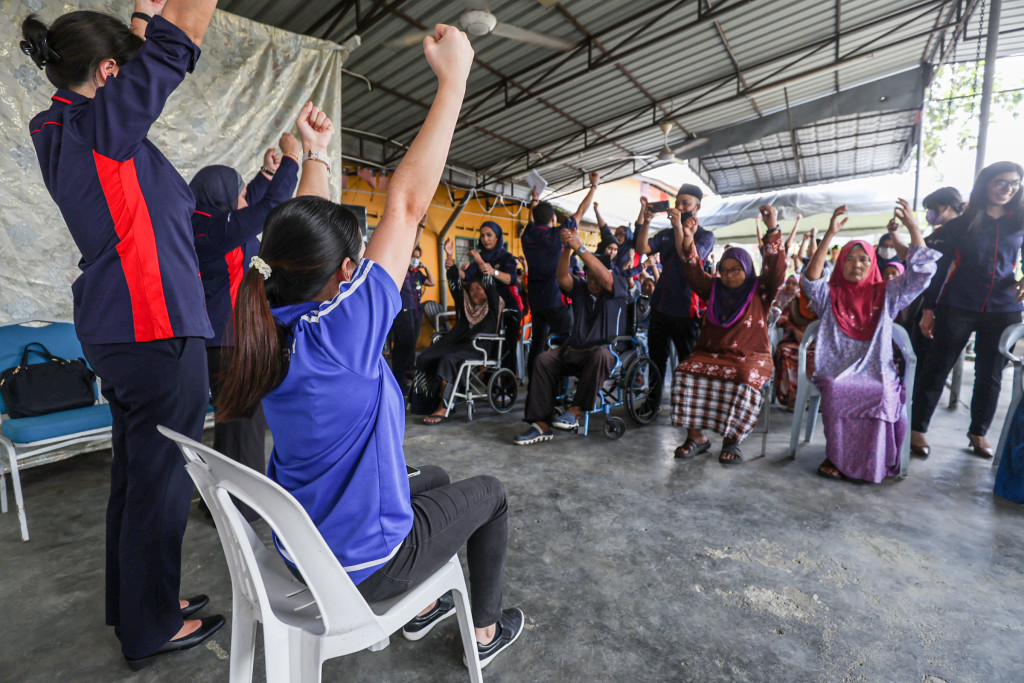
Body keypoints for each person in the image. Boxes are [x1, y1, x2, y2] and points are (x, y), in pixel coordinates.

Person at [216, 25, 523, 668]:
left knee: (434, 478)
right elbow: (407, 204)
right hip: (364, 567)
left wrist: (318, 154)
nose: (360, 269)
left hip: (303, 542)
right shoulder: (343, 335)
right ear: (340, 279)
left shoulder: (266, 319)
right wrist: (454, 81)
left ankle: (435, 599)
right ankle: (487, 633)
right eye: (353, 264)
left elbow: (306, 244)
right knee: (489, 491)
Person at [23, 1, 223, 668]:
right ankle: (151, 626)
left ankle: (139, 608)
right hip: (155, 327)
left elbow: (145, 55)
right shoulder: (105, 131)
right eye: (127, 72)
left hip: (122, 330)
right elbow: (181, 39)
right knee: (161, 484)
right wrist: (164, 24)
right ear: (108, 74)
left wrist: (141, 17)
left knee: (139, 478)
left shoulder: (69, 127)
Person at [191, 133, 301, 520]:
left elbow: (248, 201)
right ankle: (242, 504)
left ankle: (224, 497)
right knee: (243, 422)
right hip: (228, 341)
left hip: (230, 339)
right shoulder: (212, 228)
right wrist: (291, 158)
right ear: (220, 196)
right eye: (236, 194)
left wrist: (267, 172)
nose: (242, 201)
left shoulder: (210, 221)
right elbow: (267, 207)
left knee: (237, 423)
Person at [801, 201, 940, 482]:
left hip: (877, 367)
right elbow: (810, 280)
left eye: (863, 259)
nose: (857, 264)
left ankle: (873, 460)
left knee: (881, 391)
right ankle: (836, 457)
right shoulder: (829, 293)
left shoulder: (889, 293)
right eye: (850, 259)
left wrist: (913, 227)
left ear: (872, 263)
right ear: (840, 264)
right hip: (836, 367)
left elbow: (923, 272)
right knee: (838, 388)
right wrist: (829, 235)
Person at [911, 162, 1024, 459]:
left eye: (1014, 184)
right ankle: (918, 429)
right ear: (985, 183)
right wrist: (928, 310)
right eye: (1001, 182)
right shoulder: (961, 223)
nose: (1007, 189)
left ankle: (978, 432)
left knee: (991, 373)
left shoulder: (1020, 221)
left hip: (1004, 307)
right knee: (937, 366)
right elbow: (939, 270)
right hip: (958, 303)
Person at [670, 206, 786, 464]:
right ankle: (696, 437)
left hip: (752, 356)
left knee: (745, 377)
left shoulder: (761, 290)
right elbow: (692, 271)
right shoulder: (712, 287)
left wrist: (773, 228)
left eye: (736, 269)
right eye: (725, 269)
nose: (730, 275)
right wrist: (688, 238)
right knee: (685, 371)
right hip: (712, 354)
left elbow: (777, 269)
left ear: (747, 268)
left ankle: (732, 441)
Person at [515, 227, 628, 444]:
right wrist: (567, 249)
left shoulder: (617, 287)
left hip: (604, 354)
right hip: (574, 350)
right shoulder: (581, 288)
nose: (593, 282)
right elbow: (562, 277)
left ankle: (574, 411)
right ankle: (541, 424)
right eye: (590, 277)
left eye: (597, 277)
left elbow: (606, 279)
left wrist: (580, 246)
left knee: (601, 355)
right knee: (543, 360)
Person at [635, 183, 715, 411]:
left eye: (685, 204)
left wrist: (680, 227)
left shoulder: (705, 236)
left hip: (687, 310)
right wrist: (647, 222)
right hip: (660, 306)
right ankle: (652, 404)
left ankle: (689, 406)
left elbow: (685, 256)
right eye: (677, 203)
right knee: (656, 360)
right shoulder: (666, 234)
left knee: (686, 361)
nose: (679, 207)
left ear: (697, 207)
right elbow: (642, 249)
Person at [522, 171, 598, 378]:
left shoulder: (526, 236)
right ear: (554, 219)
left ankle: (534, 381)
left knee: (537, 341)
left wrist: (535, 199)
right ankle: (561, 382)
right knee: (568, 340)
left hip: (536, 300)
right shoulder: (558, 234)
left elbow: (533, 219)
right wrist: (593, 187)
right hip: (556, 299)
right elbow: (581, 211)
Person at [418, 238, 501, 424]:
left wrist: (479, 261)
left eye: (479, 289)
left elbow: (490, 284)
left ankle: (446, 405)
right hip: (459, 344)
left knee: (447, 359)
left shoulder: (493, 305)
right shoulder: (467, 305)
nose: (474, 293)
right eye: (472, 289)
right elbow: (455, 285)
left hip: (479, 347)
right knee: (426, 357)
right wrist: (449, 256)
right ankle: (425, 402)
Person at [460, 220, 522, 371]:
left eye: (489, 235)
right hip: (487, 309)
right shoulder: (478, 258)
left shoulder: (506, 257)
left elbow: (511, 279)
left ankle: (507, 384)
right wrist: (451, 265)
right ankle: (488, 381)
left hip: (508, 308)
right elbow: (467, 277)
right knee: (490, 349)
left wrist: (493, 271)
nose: (485, 239)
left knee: (507, 347)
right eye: (482, 236)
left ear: (497, 237)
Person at [389, 235, 435, 389]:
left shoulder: (416, 274)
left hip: (416, 312)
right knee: (402, 347)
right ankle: (398, 380)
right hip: (403, 313)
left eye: (417, 257)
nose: (414, 259)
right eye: (412, 256)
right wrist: (420, 226)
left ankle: (407, 376)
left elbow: (432, 282)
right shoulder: (401, 271)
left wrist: (425, 267)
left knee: (411, 346)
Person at [773, 290, 818, 410]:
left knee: (823, 356)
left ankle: (818, 399)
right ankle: (793, 399)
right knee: (784, 352)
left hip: (817, 345)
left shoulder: (823, 301)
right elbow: (782, 320)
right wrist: (794, 330)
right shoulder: (793, 303)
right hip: (794, 342)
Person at [593, 199, 640, 270]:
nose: (617, 236)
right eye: (616, 234)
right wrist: (596, 210)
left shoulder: (632, 245)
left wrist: (643, 207)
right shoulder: (612, 242)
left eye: (621, 234)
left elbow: (639, 226)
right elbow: (604, 228)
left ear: (628, 235)